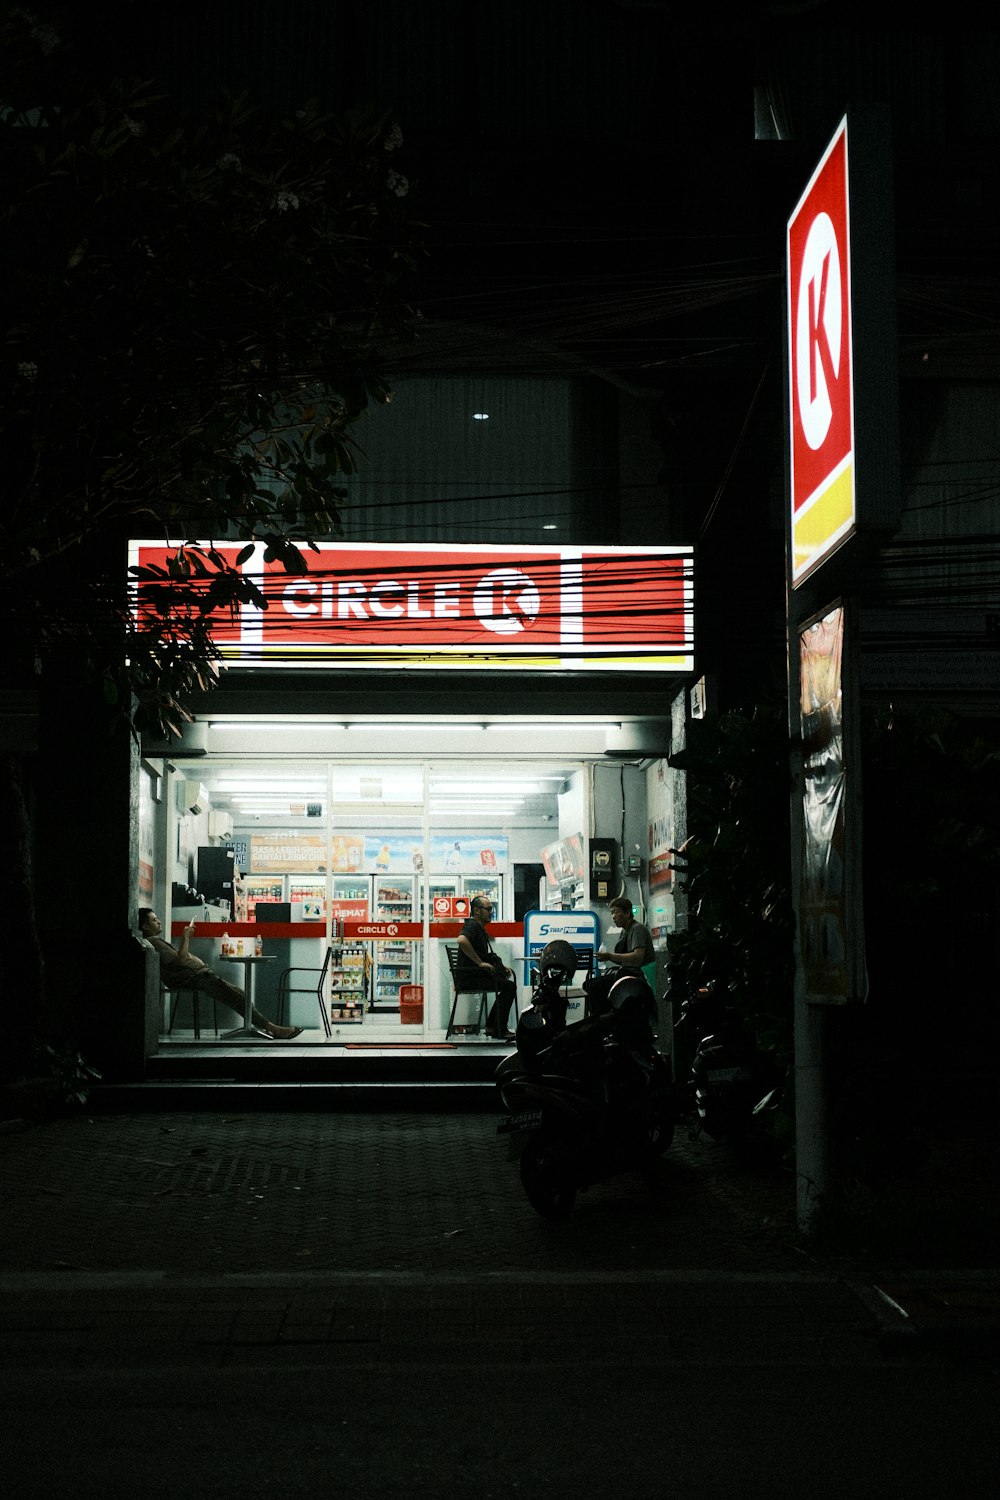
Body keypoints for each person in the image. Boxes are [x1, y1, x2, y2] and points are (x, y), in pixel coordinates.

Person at [138, 909, 303, 1039]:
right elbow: (181, 960)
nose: (158, 921)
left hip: (198, 976)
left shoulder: (156, 941)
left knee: (240, 995)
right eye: (153, 920)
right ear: (145, 926)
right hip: (194, 978)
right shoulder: (154, 942)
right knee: (237, 997)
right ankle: (273, 1029)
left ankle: (265, 1027)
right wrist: (186, 937)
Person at [455, 895, 518, 1040]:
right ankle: (498, 1028)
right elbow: (461, 940)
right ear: (477, 911)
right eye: (488, 909)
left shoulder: (479, 929)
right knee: (509, 987)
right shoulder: (472, 926)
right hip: (470, 977)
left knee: (507, 985)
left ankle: (492, 1025)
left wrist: (500, 967)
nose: (491, 912)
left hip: (474, 975)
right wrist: (479, 963)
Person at [584, 896, 655, 1013]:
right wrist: (605, 957)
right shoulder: (624, 931)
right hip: (626, 973)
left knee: (593, 987)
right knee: (589, 984)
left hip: (636, 976)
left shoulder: (637, 929)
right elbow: (624, 960)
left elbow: (638, 957)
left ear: (627, 913)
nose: (613, 917)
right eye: (611, 913)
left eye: (616, 912)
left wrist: (610, 956)